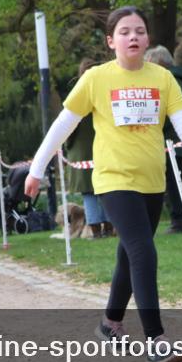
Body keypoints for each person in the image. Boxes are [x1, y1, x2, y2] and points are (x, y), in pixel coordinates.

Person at [24, 6, 182, 362]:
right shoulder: (96, 79)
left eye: (139, 31)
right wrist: (37, 168)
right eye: (124, 31)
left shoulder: (163, 78)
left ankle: (110, 323)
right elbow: (62, 126)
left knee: (130, 254)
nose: (133, 37)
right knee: (143, 251)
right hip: (113, 180)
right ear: (111, 41)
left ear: (148, 39)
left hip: (152, 181)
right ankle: (156, 340)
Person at [144, 45, 182, 233]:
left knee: (176, 185)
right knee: (178, 183)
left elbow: (169, 116)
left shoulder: (171, 83)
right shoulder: (181, 82)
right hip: (176, 142)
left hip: (172, 142)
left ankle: (181, 221)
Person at [64, 58, 113, 239]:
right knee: (105, 192)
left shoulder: (77, 94)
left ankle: (96, 232)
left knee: (89, 194)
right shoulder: (106, 92)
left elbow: (69, 128)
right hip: (104, 147)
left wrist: (67, 146)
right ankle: (109, 228)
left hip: (82, 152)